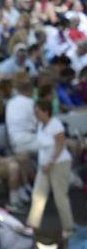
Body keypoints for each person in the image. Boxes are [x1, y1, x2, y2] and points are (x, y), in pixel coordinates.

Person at [28, 98, 75, 236]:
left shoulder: (56, 124)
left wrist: (51, 162)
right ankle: (32, 225)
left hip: (59, 163)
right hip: (44, 165)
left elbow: (60, 145)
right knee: (38, 194)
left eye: (37, 112)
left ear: (46, 111)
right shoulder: (40, 125)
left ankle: (68, 227)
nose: (35, 115)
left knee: (60, 196)